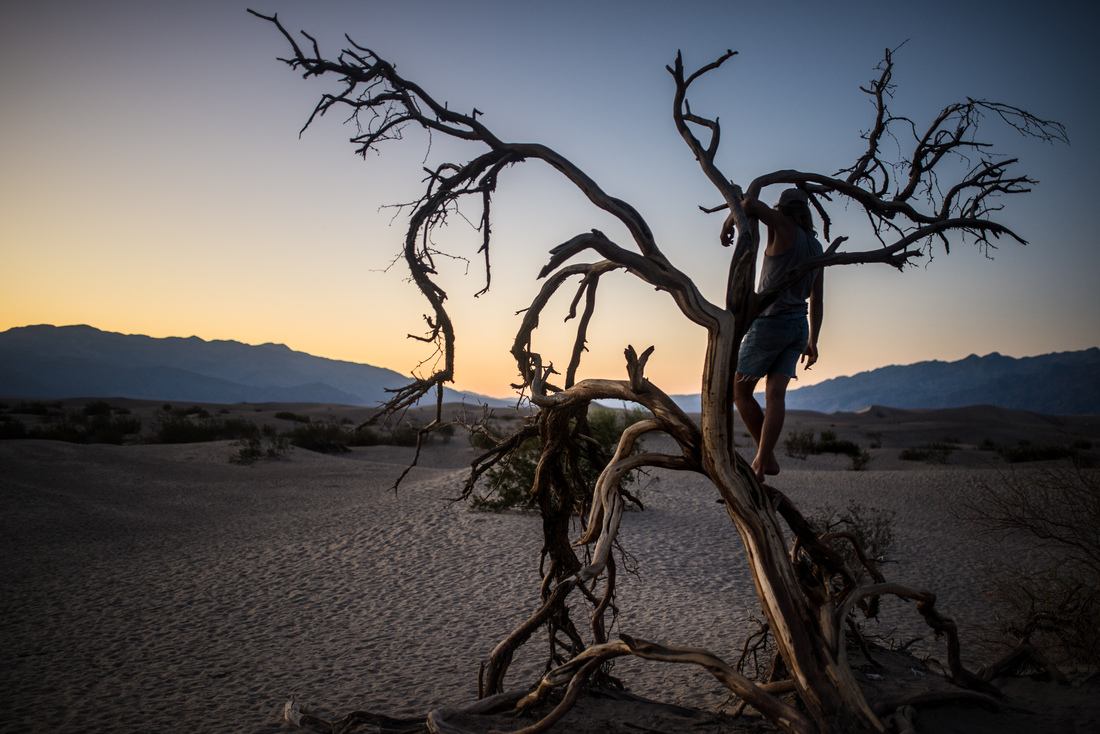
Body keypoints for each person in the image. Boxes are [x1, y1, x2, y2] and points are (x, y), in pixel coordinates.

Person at [733, 188, 824, 483]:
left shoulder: (784, 225)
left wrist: (727, 225)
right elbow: (817, 299)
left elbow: (749, 204)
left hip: (770, 324)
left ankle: (765, 457)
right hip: (798, 327)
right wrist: (813, 340)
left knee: (739, 392)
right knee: (775, 395)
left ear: (782, 209)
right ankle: (763, 461)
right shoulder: (816, 246)